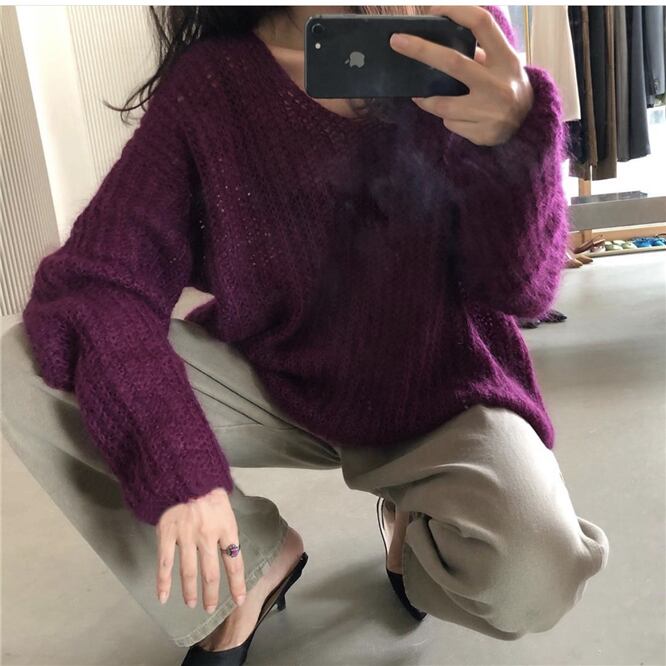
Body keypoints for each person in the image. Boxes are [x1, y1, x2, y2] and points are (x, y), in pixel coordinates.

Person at [1, 5, 610, 665]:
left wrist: (515, 140)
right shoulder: (212, 84)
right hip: (277, 378)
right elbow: (96, 284)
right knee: (26, 363)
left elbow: (523, 292)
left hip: (444, 385)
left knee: (536, 581)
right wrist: (176, 465)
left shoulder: (461, 43)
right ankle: (249, 572)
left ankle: (413, 532)